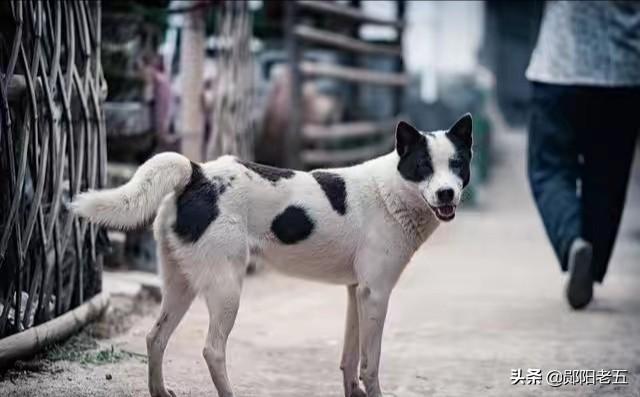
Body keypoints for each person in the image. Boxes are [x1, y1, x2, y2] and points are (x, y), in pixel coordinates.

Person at [526, 1, 640, 309]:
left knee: (549, 168)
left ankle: (573, 242)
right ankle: (589, 268)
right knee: (607, 177)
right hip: (624, 74)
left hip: (560, 69)